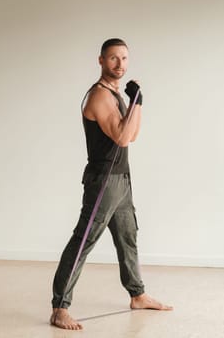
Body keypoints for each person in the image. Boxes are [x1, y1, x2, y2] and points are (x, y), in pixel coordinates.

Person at [50, 38, 173, 330]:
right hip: (104, 180)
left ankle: (137, 294)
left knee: (128, 237)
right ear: (101, 61)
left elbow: (133, 134)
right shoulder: (99, 96)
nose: (120, 64)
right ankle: (59, 307)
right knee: (83, 241)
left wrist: (136, 100)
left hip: (122, 179)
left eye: (124, 58)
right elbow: (122, 137)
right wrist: (136, 101)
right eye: (113, 58)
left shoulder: (115, 94)